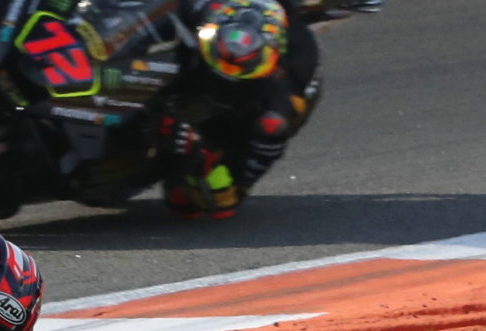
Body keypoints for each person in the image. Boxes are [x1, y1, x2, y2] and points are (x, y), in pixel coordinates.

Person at [160, 0, 382, 218]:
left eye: (233, 70)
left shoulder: (295, 69)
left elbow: (279, 121)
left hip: (246, 113)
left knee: (200, 200)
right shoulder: (214, 14)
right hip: (207, 58)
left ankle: (215, 172)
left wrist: (200, 157)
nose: (226, 73)